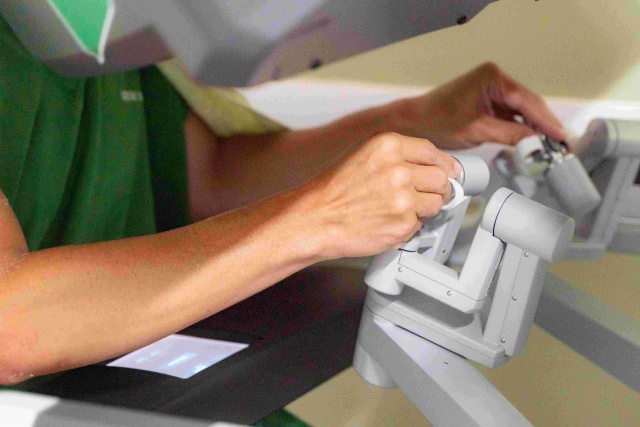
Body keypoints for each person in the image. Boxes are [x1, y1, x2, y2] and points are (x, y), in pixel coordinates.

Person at [0, 14, 565, 386]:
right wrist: (321, 219)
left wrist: (418, 119)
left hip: (139, 383)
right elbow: (12, 326)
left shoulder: (111, 35)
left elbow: (212, 181)